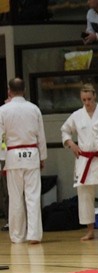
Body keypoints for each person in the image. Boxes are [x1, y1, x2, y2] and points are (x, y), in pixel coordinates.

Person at [60, 83, 98, 241]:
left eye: (89, 99)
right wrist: (71, 144)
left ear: (95, 96)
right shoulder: (77, 115)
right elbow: (65, 130)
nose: (87, 102)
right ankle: (90, 230)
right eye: (84, 100)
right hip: (84, 159)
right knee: (84, 196)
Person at [0, 78, 47, 244]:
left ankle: (17, 236)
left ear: (9, 91)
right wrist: (42, 157)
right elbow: (41, 135)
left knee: (15, 198)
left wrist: (2, 159)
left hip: (13, 156)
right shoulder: (34, 109)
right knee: (33, 197)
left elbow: (1, 138)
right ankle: (34, 235)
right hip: (32, 154)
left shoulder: (3, 110)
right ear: (24, 90)